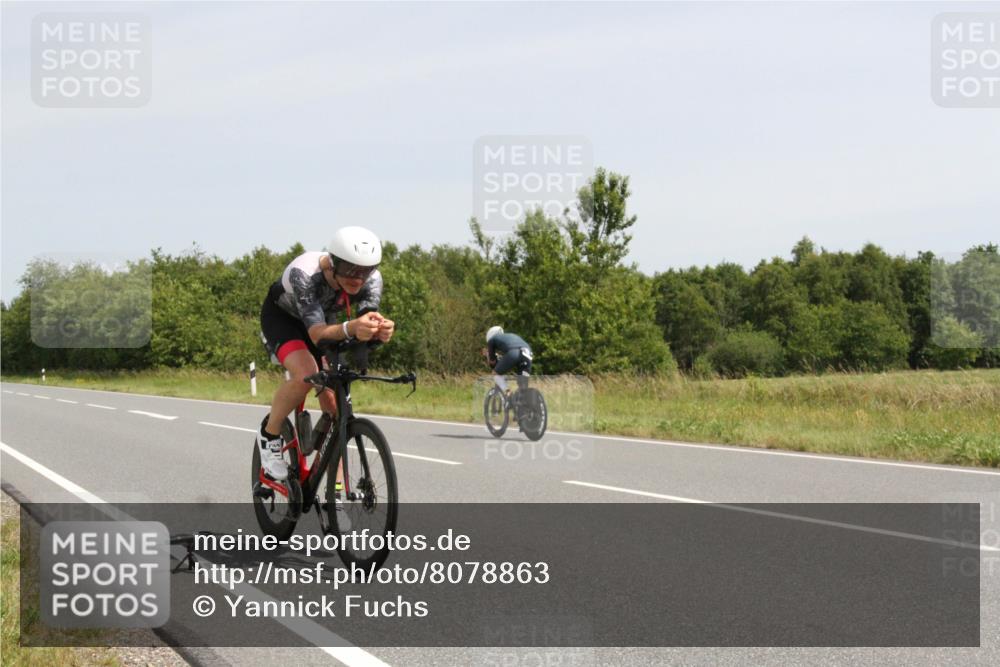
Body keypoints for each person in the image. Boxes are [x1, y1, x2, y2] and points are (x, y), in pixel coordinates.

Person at [257, 226, 394, 480]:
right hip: (284, 320)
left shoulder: (372, 279)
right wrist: (352, 327)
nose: (357, 278)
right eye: (350, 270)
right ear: (332, 262)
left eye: (365, 270)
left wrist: (378, 332)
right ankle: (270, 434)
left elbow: (361, 328)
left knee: (337, 404)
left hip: (324, 321)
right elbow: (318, 335)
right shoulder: (305, 273)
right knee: (306, 374)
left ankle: (337, 496)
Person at [483, 326, 532, 395]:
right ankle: (522, 401)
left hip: (514, 352)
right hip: (528, 353)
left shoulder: (492, 340)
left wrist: (488, 356)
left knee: (495, 373)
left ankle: (508, 393)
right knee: (523, 387)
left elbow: (493, 362)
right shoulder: (510, 336)